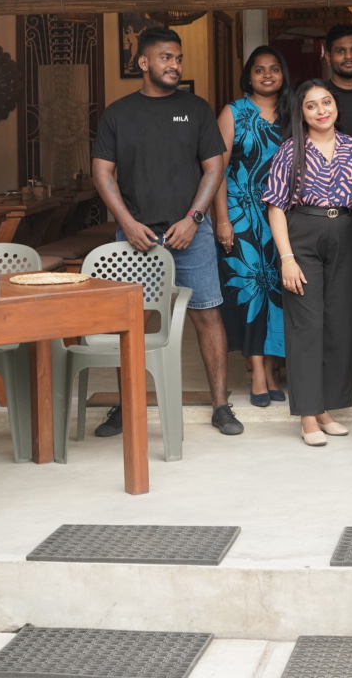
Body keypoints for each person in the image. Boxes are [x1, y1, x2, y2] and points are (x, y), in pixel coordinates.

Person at [92, 27, 240, 436]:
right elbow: (102, 174)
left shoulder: (196, 109)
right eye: (165, 58)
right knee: (130, 321)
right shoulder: (118, 113)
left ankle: (221, 406)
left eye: (177, 58)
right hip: (135, 238)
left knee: (208, 315)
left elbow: (215, 168)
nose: (174, 65)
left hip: (190, 234)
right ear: (143, 63)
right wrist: (127, 223)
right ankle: (127, 407)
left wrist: (194, 219)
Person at [264, 80, 352, 445]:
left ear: (336, 106)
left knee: (338, 323)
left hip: (347, 235)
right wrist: (286, 258)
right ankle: (307, 414)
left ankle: (325, 407)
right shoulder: (290, 151)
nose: (321, 110)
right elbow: (275, 207)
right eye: (311, 106)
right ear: (301, 113)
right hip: (303, 234)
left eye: (326, 102)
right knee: (306, 325)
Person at [214, 46, 290, 407]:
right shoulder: (234, 112)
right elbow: (217, 170)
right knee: (252, 294)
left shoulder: (294, 111)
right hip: (242, 216)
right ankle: (258, 374)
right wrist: (222, 220)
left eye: (274, 69)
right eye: (259, 70)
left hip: (283, 217)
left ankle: (274, 370)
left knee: (279, 293)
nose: (267, 75)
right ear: (249, 76)